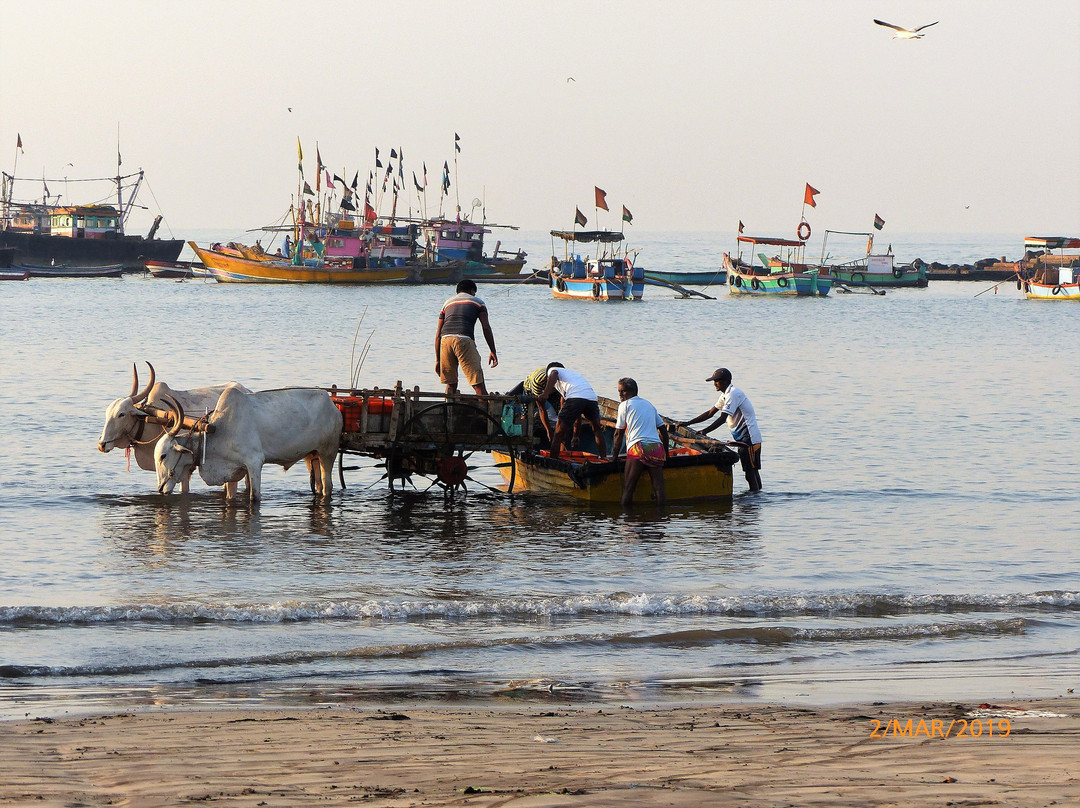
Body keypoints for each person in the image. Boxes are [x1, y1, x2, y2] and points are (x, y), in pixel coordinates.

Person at [676, 367, 762, 492]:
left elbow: (722, 418)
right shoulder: (725, 395)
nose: (714, 384)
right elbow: (710, 413)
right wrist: (688, 422)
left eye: (717, 381)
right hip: (744, 438)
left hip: (749, 437)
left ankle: (754, 503)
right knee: (751, 471)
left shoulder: (733, 394)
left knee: (750, 472)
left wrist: (705, 431)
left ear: (726, 381)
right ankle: (756, 500)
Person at [434, 279, 498, 395]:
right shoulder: (478, 302)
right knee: (478, 384)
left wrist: (438, 360)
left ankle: (448, 410)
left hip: (445, 341)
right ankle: (483, 411)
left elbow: (438, 335)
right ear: (472, 291)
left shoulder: (447, 303)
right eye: (474, 293)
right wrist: (492, 350)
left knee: (451, 384)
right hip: (463, 339)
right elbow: (486, 328)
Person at [612, 377, 668, 506]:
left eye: (623, 391)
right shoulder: (648, 404)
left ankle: (626, 521)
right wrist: (666, 452)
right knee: (659, 488)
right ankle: (661, 518)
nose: (620, 394)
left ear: (633, 391)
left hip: (638, 448)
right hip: (656, 448)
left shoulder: (624, 405)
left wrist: (614, 458)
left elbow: (618, 434)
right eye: (619, 391)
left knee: (628, 488)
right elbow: (663, 429)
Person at [532, 363, 607, 460]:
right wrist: (576, 435)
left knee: (558, 432)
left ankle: (552, 461)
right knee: (597, 430)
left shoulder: (553, 370)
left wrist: (546, 393)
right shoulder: (572, 377)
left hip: (576, 398)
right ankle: (604, 458)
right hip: (592, 398)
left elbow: (554, 373)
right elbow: (577, 414)